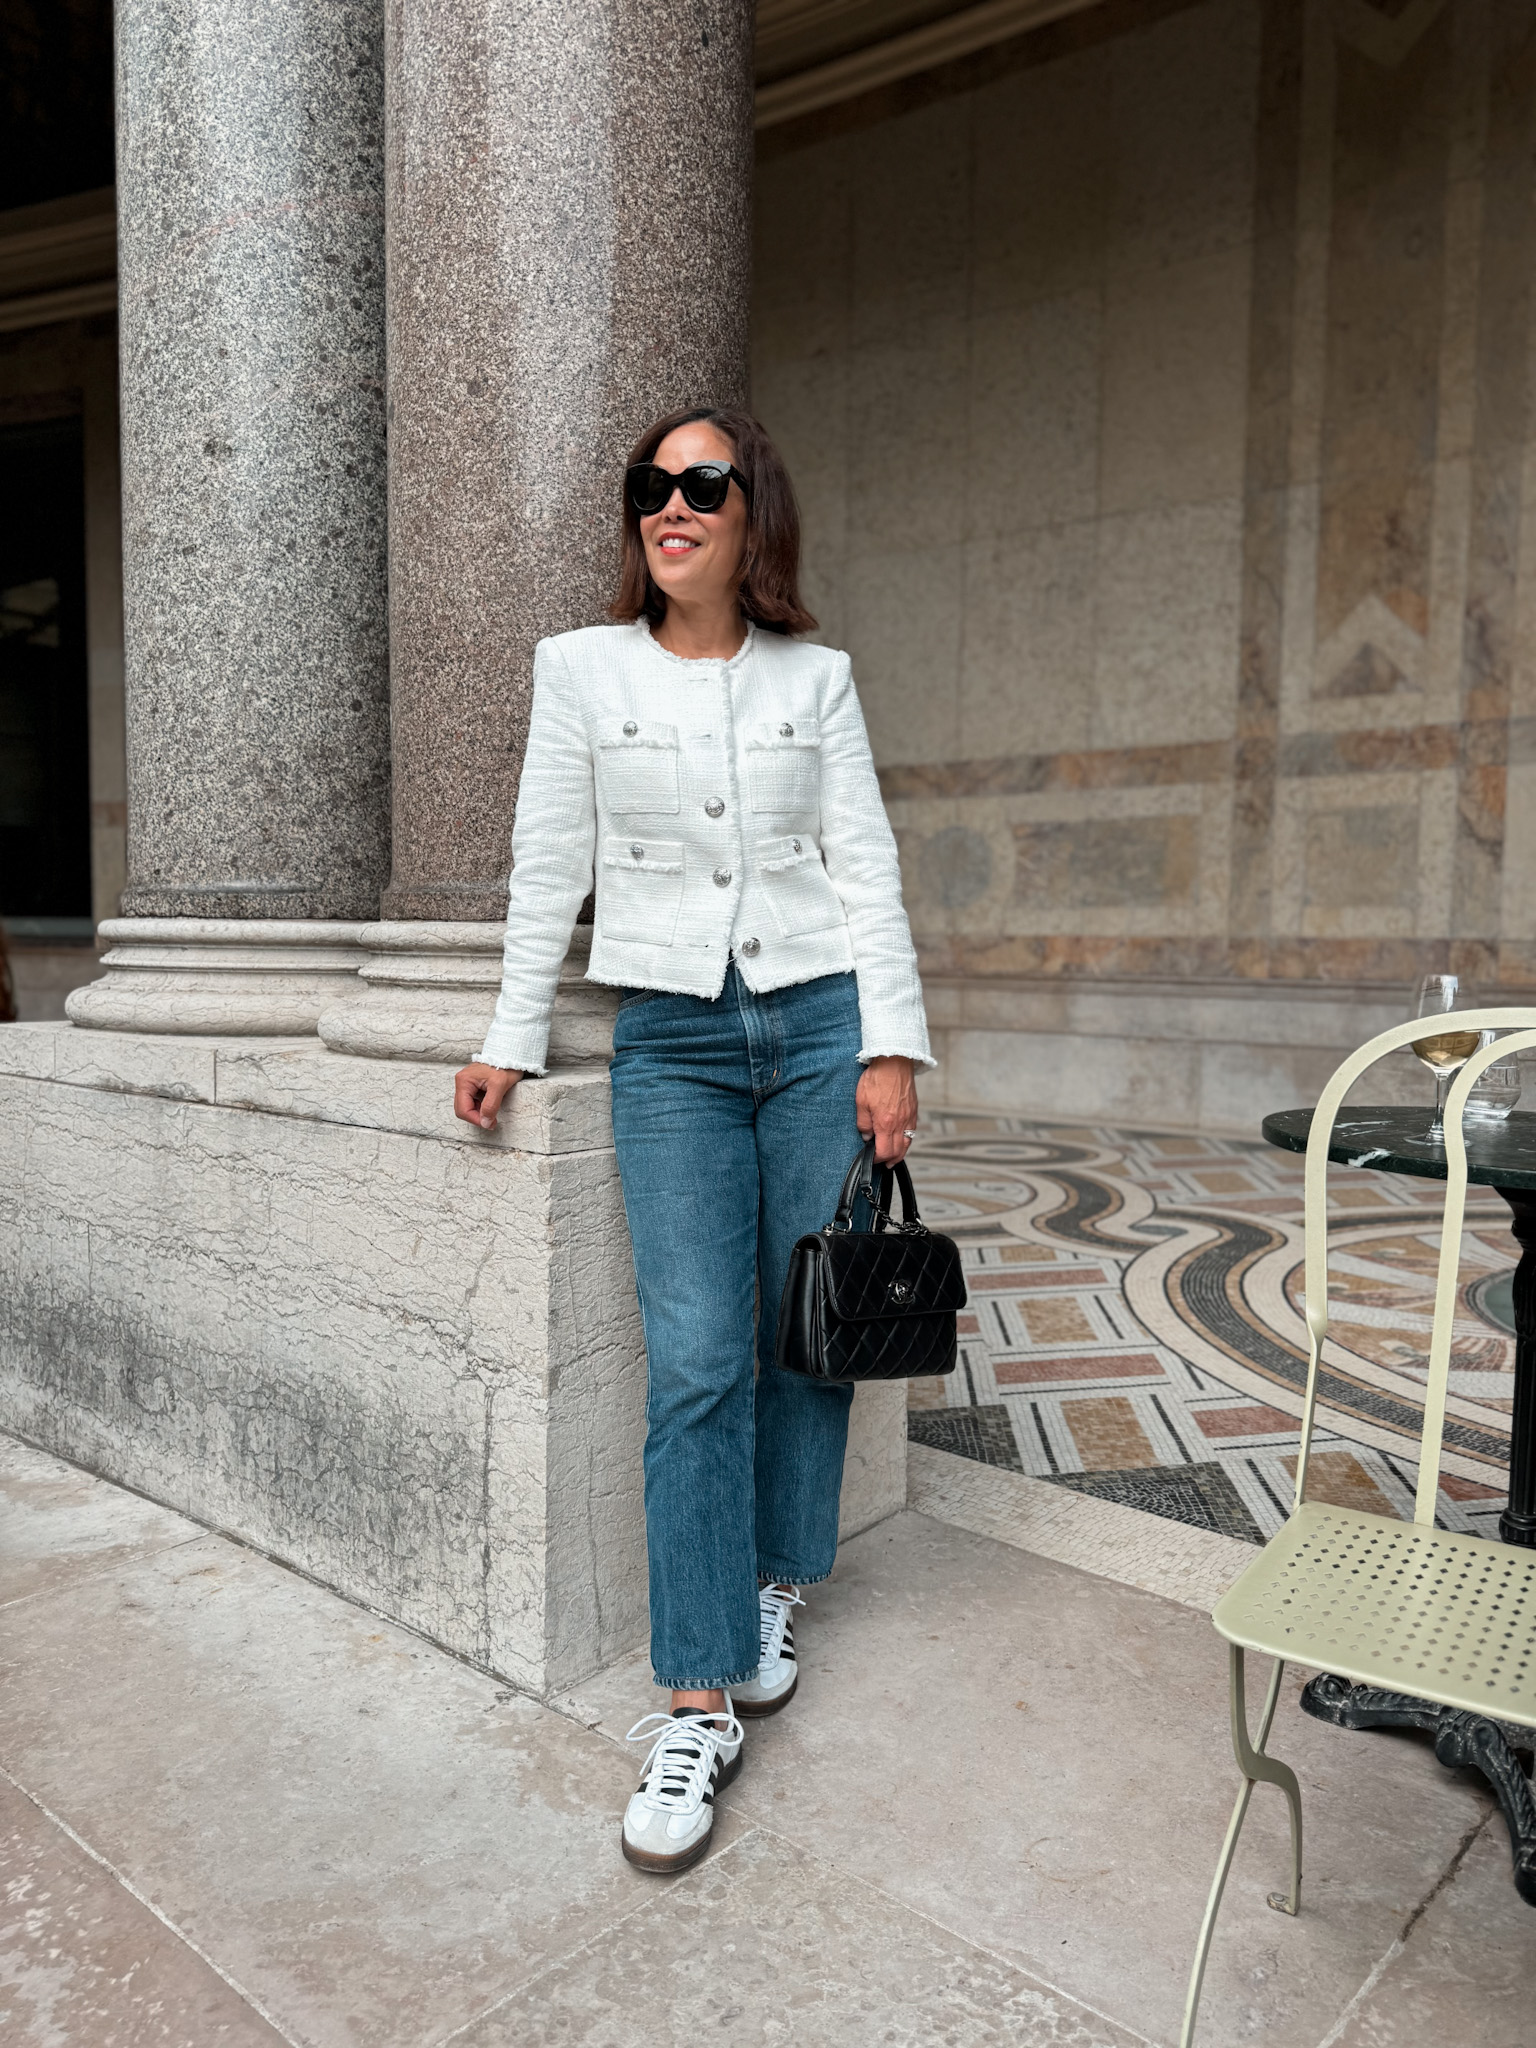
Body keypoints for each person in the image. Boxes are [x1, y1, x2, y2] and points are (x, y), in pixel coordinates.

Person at [453, 405, 931, 1873]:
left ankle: (779, 1579)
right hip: (667, 1039)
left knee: (807, 1334)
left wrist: (895, 1044)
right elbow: (550, 858)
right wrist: (507, 1032)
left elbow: (864, 859)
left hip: (821, 1028)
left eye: (700, 485)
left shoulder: (820, 677)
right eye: (650, 487)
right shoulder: (578, 672)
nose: (672, 505)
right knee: (698, 1360)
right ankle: (695, 1694)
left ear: (749, 514)